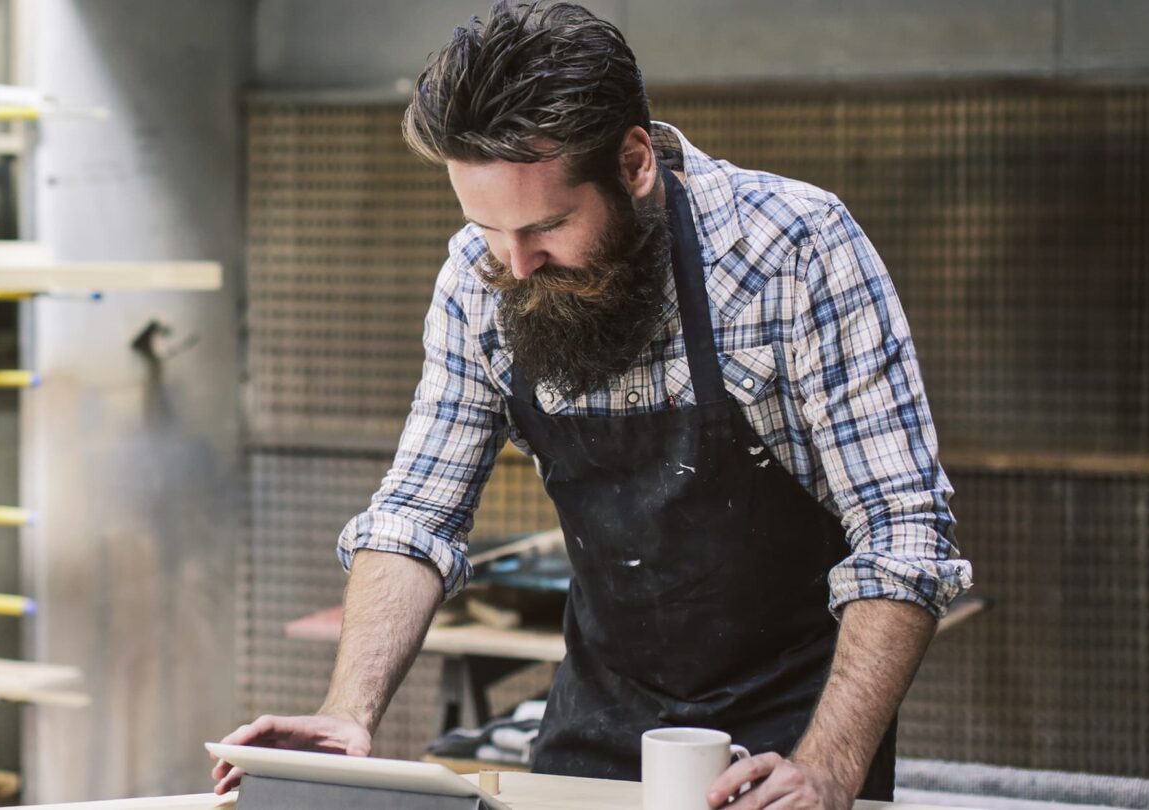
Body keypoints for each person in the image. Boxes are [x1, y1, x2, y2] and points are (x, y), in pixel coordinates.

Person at [212, 2, 972, 807]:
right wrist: (346, 714)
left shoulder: (794, 250)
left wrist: (829, 765)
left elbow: (903, 531)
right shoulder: (486, 275)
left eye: (547, 226)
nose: (517, 262)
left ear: (635, 162)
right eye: (486, 227)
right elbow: (415, 516)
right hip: (597, 732)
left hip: (790, 741)